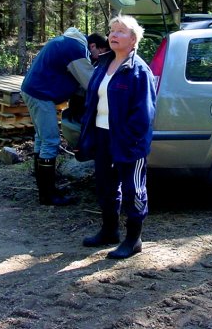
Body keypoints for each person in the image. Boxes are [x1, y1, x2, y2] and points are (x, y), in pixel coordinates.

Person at [78, 15, 156, 259]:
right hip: (102, 136)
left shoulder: (139, 71)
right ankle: (109, 231)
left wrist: (131, 143)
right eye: (112, 30)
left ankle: (133, 239)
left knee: (134, 190)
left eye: (120, 31)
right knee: (105, 186)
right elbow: (93, 101)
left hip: (128, 141)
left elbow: (144, 115)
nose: (113, 35)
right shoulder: (103, 63)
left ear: (133, 40)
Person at [21, 27, 94, 206]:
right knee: (51, 141)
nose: (96, 58)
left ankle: (45, 189)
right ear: (93, 46)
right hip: (40, 95)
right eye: (99, 53)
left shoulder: (64, 41)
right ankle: (48, 195)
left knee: (41, 139)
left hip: (32, 91)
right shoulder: (76, 49)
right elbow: (90, 82)